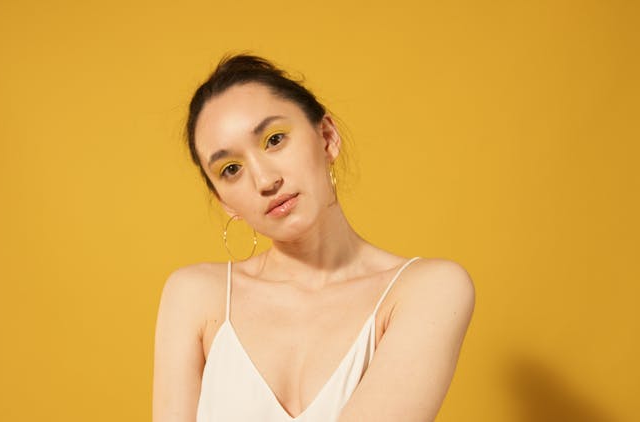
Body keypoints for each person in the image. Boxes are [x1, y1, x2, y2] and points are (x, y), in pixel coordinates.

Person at [153, 54, 475, 422]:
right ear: (224, 202)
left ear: (327, 138)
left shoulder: (428, 290)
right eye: (231, 169)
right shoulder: (194, 296)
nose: (264, 180)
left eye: (274, 140)